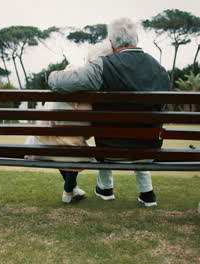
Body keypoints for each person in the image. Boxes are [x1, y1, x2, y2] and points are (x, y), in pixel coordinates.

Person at [48, 17, 170, 207]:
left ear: (111, 42)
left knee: (106, 128)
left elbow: (62, 82)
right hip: (149, 149)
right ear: (136, 39)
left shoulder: (103, 65)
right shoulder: (160, 69)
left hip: (110, 150)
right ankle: (144, 193)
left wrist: (52, 76)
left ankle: (105, 189)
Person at [25, 42, 113, 204]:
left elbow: (44, 121)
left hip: (43, 146)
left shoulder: (54, 96)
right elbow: (87, 134)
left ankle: (72, 189)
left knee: (62, 148)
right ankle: (68, 190)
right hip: (72, 151)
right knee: (75, 148)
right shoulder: (87, 100)